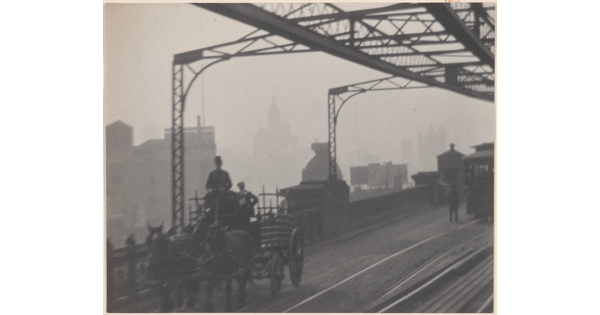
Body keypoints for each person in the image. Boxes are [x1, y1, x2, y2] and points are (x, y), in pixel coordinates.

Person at [236, 182, 260, 247]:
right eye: (240, 186)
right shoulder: (237, 195)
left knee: (251, 227)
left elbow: (256, 199)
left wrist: (250, 205)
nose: (241, 187)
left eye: (242, 186)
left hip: (248, 213)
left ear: (244, 186)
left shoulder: (248, 193)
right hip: (241, 213)